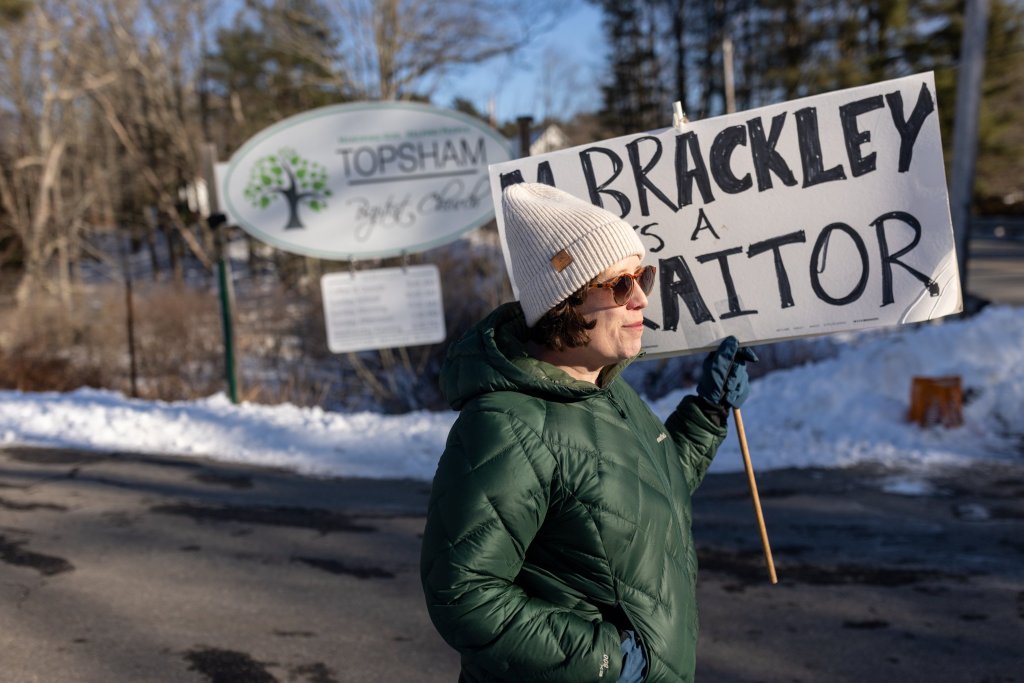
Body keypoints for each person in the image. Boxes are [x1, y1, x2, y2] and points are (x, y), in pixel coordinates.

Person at [420, 182, 757, 683]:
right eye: (620, 284)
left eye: (642, 276)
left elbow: (636, 501)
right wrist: (605, 661)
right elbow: (464, 592)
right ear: (565, 302)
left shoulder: (606, 391)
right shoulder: (506, 426)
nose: (641, 297)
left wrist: (707, 413)